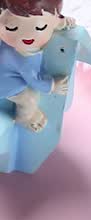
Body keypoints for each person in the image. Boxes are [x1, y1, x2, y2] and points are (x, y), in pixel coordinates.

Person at [0, 0, 75, 133]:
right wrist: (52, 86)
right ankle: (25, 118)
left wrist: (62, 22)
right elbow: (34, 80)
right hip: (6, 83)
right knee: (29, 98)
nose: (27, 37)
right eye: (12, 28)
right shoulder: (20, 58)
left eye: (40, 28)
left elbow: (52, 18)